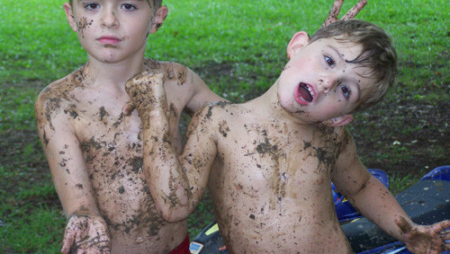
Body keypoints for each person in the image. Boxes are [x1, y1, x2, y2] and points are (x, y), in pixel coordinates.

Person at [34, 0, 365, 253]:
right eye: (91, 5)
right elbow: (76, 199)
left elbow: (243, 127)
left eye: (129, 7)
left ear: (156, 18)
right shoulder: (58, 104)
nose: (108, 20)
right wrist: (83, 218)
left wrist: (309, 65)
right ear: (71, 16)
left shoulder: (177, 81)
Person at [126, 19, 450, 254]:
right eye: (328, 60)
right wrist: (153, 116)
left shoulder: (331, 139)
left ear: (340, 117)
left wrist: (406, 229)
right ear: (296, 46)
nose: (327, 81)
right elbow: (175, 207)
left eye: (345, 89)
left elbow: (362, 187)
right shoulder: (219, 122)